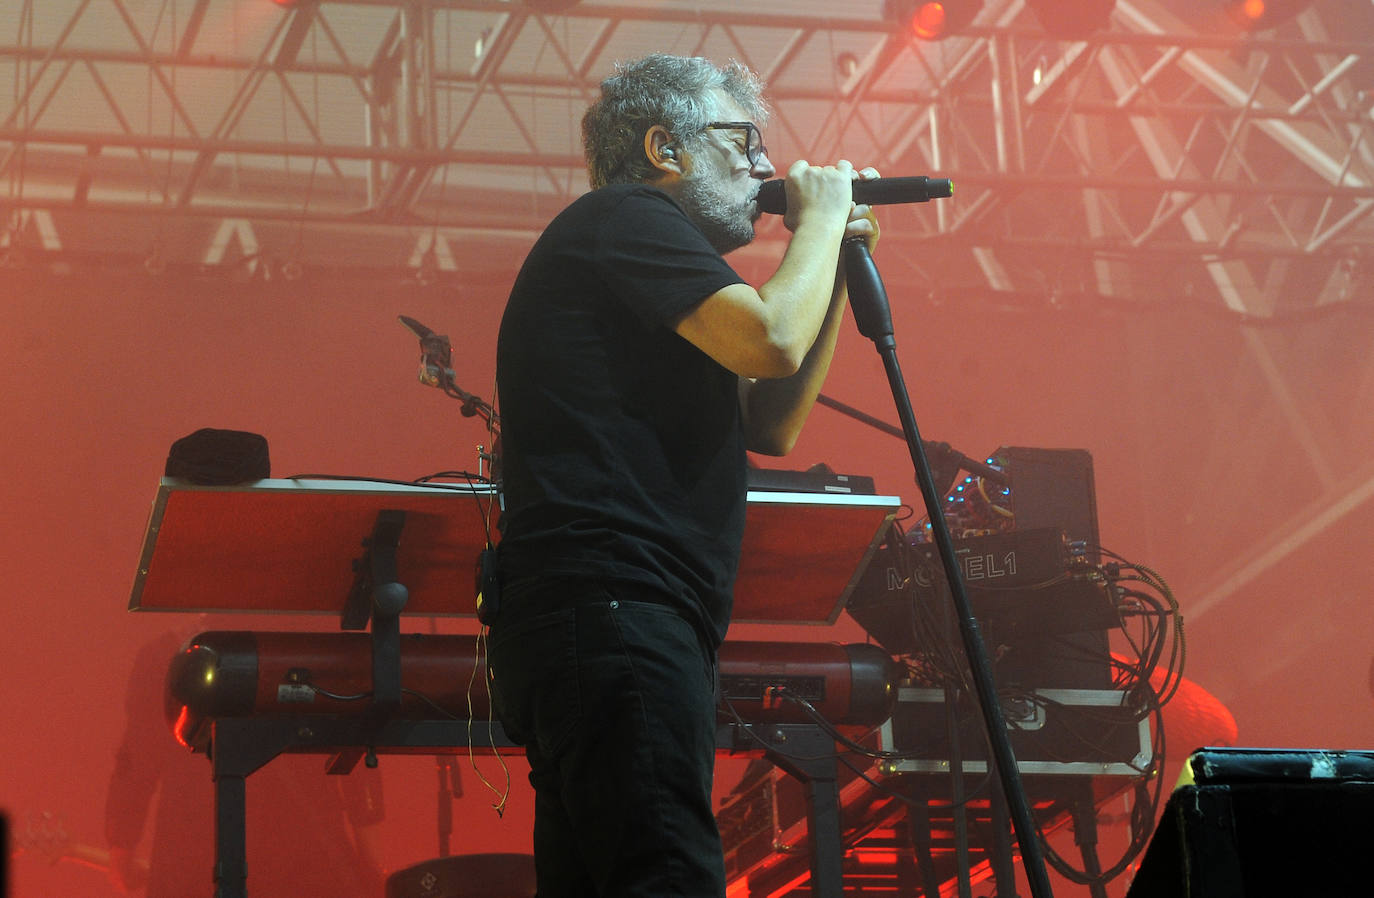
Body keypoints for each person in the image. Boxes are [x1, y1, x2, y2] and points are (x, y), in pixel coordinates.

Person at [486, 53, 880, 898]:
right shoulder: (625, 216)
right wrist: (819, 220)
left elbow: (770, 420)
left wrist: (836, 263)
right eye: (742, 140)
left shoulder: (647, 276)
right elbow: (772, 337)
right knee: (667, 876)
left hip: (604, 623)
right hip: (618, 609)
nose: (767, 167)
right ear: (665, 149)